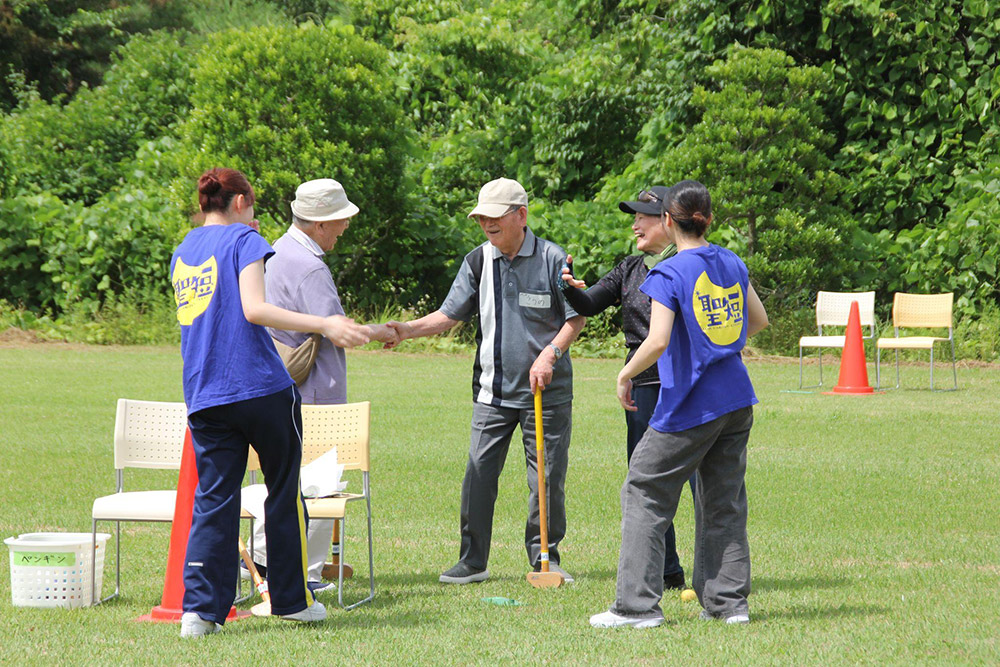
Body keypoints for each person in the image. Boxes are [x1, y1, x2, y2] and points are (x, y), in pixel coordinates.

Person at [170, 167, 371, 638]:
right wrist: (323, 324)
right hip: (261, 389)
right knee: (284, 492)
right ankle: (293, 601)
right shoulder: (246, 241)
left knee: (213, 500)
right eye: (254, 206)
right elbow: (254, 309)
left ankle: (199, 613)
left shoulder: (183, 251)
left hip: (204, 392)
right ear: (239, 201)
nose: (256, 217)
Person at [589, 180, 768, 629]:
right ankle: (730, 606)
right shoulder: (731, 261)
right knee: (723, 500)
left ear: (668, 220)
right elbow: (759, 320)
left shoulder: (666, 274)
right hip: (736, 398)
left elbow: (658, 340)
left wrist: (625, 373)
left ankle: (636, 607)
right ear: (706, 219)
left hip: (690, 402)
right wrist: (719, 344)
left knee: (644, 489)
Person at [388, 177, 586, 584]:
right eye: (481, 219)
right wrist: (406, 329)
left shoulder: (553, 259)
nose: (487, 226)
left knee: (546, 480)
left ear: (521, 216)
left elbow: (576, 317)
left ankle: (544, 558)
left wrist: (551, 354)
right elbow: (449, 314)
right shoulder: (478, 261)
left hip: (546, 394)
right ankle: (472, 561)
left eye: (494, 218)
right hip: (491, 394)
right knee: (478, 474)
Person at [243, 178, 397, 593]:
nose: (345, 228)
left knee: (284, 479)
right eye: (340, 220)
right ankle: (303, 573)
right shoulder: (310, 266)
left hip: (280, 383)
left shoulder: (276, 250)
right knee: (318, 484)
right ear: (318, 223)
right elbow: (337, 331)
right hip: (313, 388)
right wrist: (382, 331)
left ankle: (266, 561)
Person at [559, 185, 693, 591]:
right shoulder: (630, 268)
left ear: (668, 220)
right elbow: (588, 304)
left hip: (686, 385)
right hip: (644, 389)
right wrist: (566, 284)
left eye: (643, 216)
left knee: (699, 482)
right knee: (646, 478)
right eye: (632, 216)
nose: (635, 224)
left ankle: (710, 571)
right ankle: (668, 571)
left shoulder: (691, 264)